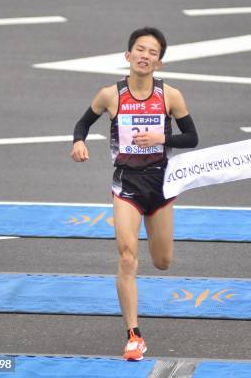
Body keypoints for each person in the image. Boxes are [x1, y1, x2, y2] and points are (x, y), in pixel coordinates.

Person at [70, 27, 198, 361]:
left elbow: (192, 137)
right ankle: (133, 335)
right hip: (126, 184)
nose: (144, 55)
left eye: (152, 52)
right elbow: (82, 124)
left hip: (161, 185)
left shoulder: (170, 96)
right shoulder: (110, 95)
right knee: (127, 257)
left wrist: (161, 138)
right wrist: (79, 141)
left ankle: (138, 318)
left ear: (160, 62)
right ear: (128, 56)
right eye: (139, 49)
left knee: (162, 262)